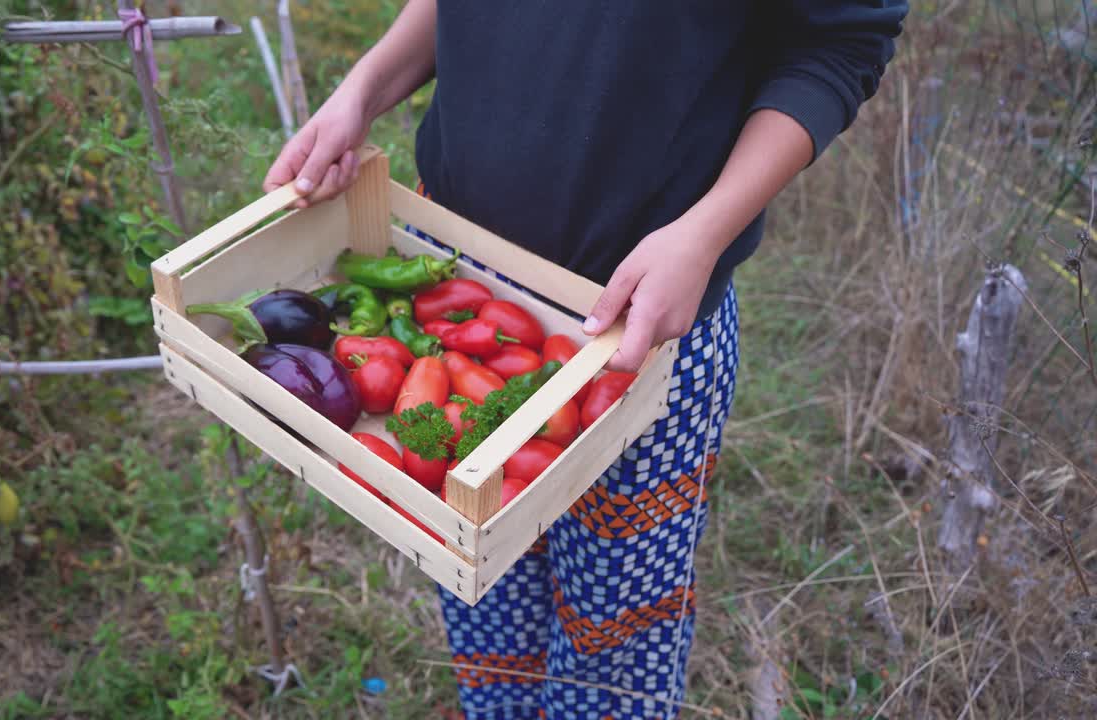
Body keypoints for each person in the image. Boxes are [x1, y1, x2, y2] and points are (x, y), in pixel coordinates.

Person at [263, 2, 908, 717]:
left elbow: (839, 41)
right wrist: (365, 86)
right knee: (484, 594)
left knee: (614, 639)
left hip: (642, 326)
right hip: (451, 288)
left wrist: (706, 229)